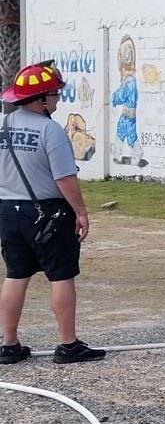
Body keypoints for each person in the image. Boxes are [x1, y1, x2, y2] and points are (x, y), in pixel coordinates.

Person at [0, 64, 106, 364]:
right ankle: (68, 345)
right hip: (47, 212)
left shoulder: (2, 124)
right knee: (61, 275)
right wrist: (81, 213)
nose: (58, 100)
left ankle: (9, 344)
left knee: (15, 274)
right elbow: (64, 178)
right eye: (55, 94)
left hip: (8, 210)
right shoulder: (50, 130)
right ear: (42, 100)